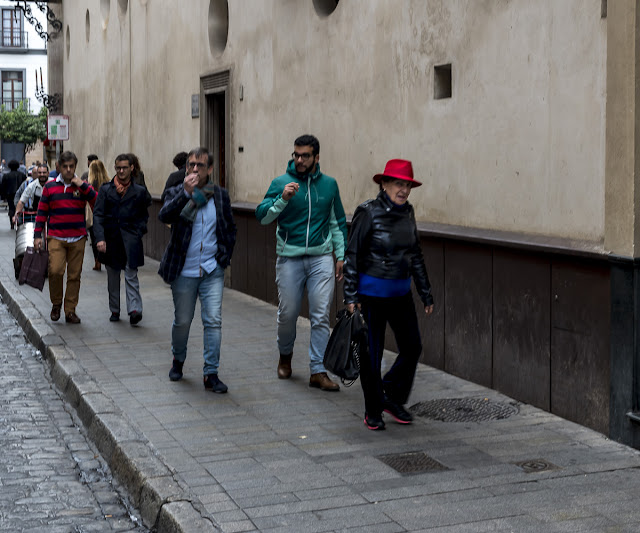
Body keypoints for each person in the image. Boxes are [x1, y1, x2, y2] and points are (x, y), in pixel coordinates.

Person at [343, 159, 435, 431]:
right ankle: (373, 409)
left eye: (407, 184)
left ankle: (389, 396)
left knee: (412, 347)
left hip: (400, 293)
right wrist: (350, 296)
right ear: (383, 184)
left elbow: (415, 254)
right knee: (371, 354)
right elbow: (352, 255)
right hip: (370, 296)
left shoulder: (408, 213)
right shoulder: (368, 212)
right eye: (398, 183)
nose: (403, 189)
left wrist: (425, 293)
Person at [256, 134, 348, 391]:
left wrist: (341, 255)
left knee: (320, 316)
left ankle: (317, 370)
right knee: (288, 314)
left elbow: (337, 222)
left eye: (305, 155)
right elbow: (262, 217)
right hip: (289, 258)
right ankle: (285, 356)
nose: (299, 160)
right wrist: (282, 198)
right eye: (296, 155)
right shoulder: (281, 182)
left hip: (321, 257)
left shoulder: (329, 185)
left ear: (316, 157)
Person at [158, 147, 236, 393]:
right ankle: (178, 360)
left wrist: (223, 257)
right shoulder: (176, 191)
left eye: (199, 165)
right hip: (184, 270)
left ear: (209, 169)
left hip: (212, 270)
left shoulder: (220, 195)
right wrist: (186, 193)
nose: (193, 169)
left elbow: (229, 228)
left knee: (213, 321)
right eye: (190, 165)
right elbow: (164, 215)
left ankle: (210, 374)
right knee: (182, 321)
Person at [34, 151, 97, 324]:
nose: (69, 170)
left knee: (74, 275)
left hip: (78, 237)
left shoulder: (82, 186)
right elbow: (42, 212)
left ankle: (70, 310)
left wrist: (82, 185)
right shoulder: (49, 187)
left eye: (72, 166)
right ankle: (56, 303)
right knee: (55, 271)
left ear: (75, 167)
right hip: (56, 237)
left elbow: (96, 202)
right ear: (59, 167)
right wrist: (37, 235)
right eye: (65, 167)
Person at [93, 154, 150, 325]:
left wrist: (139, 231)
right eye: (118, 168)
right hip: (111, 240)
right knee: (113, 276)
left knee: (131, 274)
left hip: (131, 239)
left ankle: (135, 310)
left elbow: (144, 215)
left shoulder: (139, 191)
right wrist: (100, 238)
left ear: (132, 168)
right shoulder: (106, 190)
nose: (121, 171)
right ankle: (115, 309)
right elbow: (98, 215)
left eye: (125, 167)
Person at [86, 160, 112, 271]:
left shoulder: (90, 184)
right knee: (107, 237)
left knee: (95, 238)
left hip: (94, 215)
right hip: (107, 215)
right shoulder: (109, 183)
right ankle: (107, 259)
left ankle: (97, 261)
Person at [1, 159, 26, 229]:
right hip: (20, 194)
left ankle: (12, 223)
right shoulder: (22, 175)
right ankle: (19, 221)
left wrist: (3, 196)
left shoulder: (6, 176)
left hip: (10, 194)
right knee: (20, 207)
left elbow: (3, 186)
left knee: (11, 208)